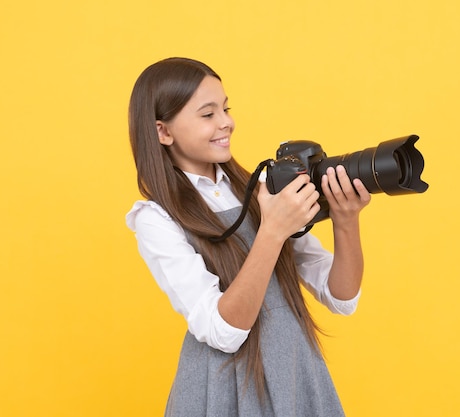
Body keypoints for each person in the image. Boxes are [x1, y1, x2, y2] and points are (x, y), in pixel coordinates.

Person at [125, 57, 371, 416]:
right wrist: (271, 231)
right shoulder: (156, 218)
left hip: (293, 370)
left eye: (225, 109)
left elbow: (341, 297)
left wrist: (346, 220)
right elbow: (223, 330)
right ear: (163, 132)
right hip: (225, 388)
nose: (226, 122)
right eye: (208, 114)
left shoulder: (262, 190)